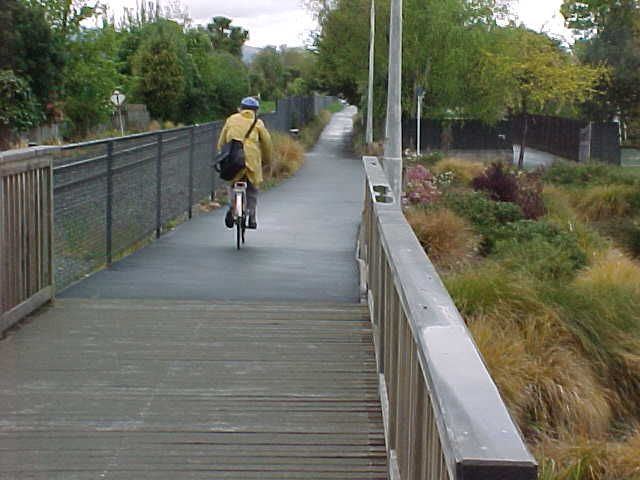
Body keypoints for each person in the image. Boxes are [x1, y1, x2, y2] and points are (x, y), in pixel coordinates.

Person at [217, 97, 272, 229]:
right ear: (256, 110)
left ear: (240, 108)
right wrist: (266, 160)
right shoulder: (258, 123)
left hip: (234, 158)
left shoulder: (231, 119)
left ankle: (232, 207)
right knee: (252, 189)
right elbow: (267, 144)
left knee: (232, 183)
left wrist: (221, 154)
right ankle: (252, 217)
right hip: (251, 161)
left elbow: (222, 141)